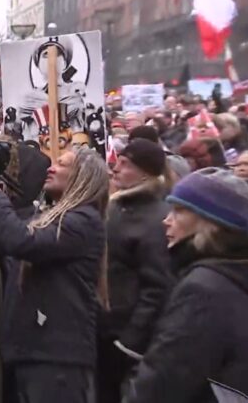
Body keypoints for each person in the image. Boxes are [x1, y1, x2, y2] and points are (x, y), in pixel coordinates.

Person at [0, 147, 109, 403]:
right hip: (33, 350)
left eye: (62, 164)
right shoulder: (48, 216)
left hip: (57, 359)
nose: (51, 168)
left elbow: (20, 240)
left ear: (83, 177)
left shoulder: (82, 221)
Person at [126, 168, 248, 403]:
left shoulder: (203, 289)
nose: (166, 221)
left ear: (212, 223)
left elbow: (163, 379)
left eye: (179, 211)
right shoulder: (244, 273)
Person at [98, 139, 174, 403]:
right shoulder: (116, 207)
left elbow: (157, 288)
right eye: (117, 162)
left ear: (146, 172)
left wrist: (129, 344)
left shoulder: (157, 219)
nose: (115, 169)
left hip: (125, 339)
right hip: (105, 332)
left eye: (125, 164)